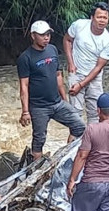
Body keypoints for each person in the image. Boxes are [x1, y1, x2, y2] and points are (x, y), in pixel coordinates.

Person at [17, 20, 86, 161]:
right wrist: (25, 111)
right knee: (39, 140)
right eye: (42, 35)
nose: (46, 37)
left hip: (57, 102)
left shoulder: (53, 49)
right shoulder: (25, 58)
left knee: (79, 126)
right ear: (33, 36)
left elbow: (58, 75)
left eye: (48, 34)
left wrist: (64, 98)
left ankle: (68, 157)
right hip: (38, 107)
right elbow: (24, 85)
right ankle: (36, 169)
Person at [63, 2, 109, 135]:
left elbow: (98, 67)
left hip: (94, 77)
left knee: (95, 113)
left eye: (105, 18)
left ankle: (92, 143)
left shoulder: (108, 40)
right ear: (92, 17)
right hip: (76, 72)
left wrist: (81, 84)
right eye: (99, 17)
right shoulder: (79, 25)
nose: (102, 20)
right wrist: (70, 63)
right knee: (75, 113)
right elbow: (67, 40)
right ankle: (74, 144)